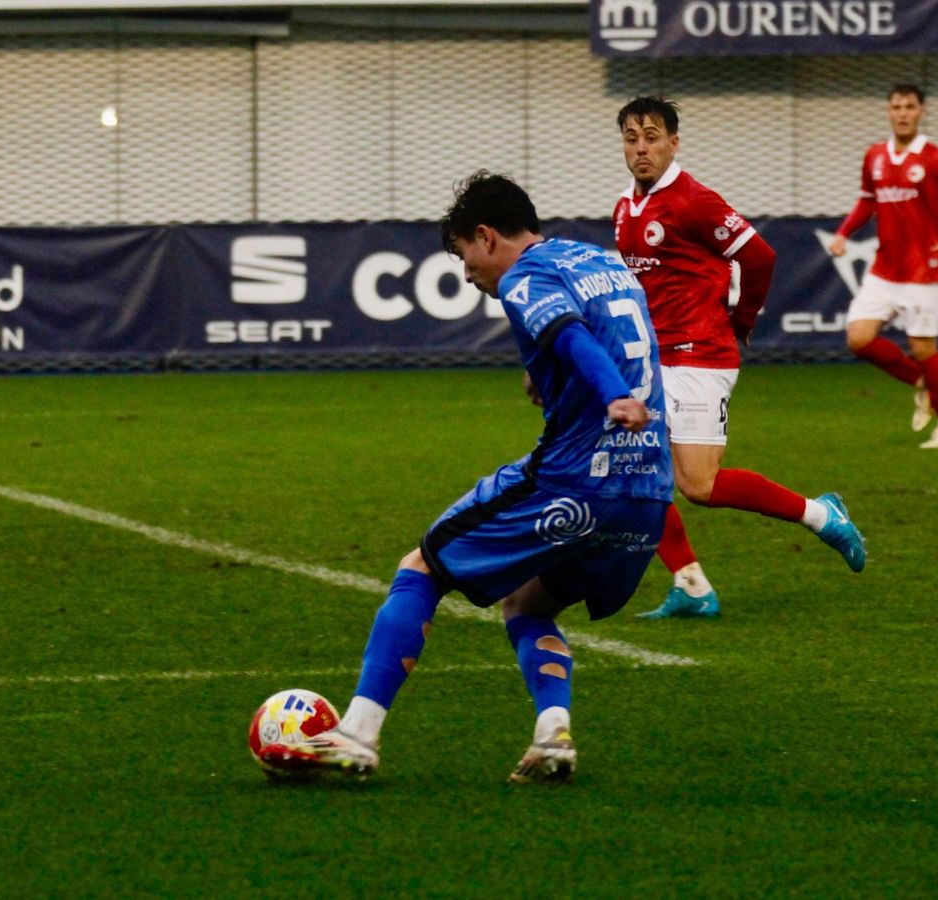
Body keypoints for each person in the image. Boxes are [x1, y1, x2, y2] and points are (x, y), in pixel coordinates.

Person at [273, 171, 674, 783]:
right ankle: (553, 736)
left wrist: (613, 394)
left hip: (575, 482)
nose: (466, 273)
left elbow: (569, 335)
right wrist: (554, 378)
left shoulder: (524, 276)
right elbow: (609, 333)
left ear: (485, 236)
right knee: (527, 604)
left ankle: (356, 731)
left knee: (421, 566)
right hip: (648, 494)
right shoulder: (598, 259)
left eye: (463, 255)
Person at [614, 95, 866, 620]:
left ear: (673, 143)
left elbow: (759, 255)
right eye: (632, 138)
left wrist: (743, 317)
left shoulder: (692, 200)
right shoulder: (625, 206)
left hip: (700, 353)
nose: (642, 148)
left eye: (652, 137)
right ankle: (691, 586)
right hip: (656, 358)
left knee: (698, 486)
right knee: (633, 469)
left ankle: (823, 516)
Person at [829, 83, 938, 448]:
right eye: (896, 106)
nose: (902, 113)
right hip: (885, 269)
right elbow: (867, 202)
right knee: (859, 337)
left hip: (924, 269)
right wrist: (843, 233)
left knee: (923, 349)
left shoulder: (937, 159)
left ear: (921, 112)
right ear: (889, 112)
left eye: (910, 107)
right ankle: (921, 382)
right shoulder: (875, 156)